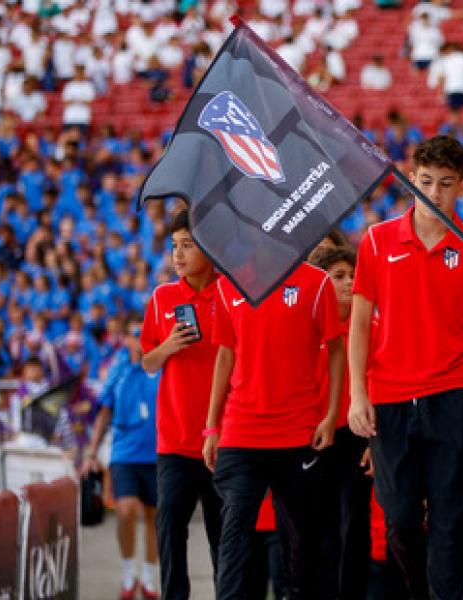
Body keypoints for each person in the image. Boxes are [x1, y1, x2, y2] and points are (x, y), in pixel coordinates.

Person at [347, 135, 463, 600]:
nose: (434, 193)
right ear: (411, 180)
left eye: (446, 184)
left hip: (454, 395)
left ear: (462, 186)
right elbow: (359, 322)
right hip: (390, 398)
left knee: (452, 517)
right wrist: (358, 393)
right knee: (399, 518)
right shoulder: (377, 241)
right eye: (426, 181)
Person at [202, 253, 346, 599]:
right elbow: (225, 354)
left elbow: (336, 349)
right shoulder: (228, 284)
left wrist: (330, 414)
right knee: (234, 531)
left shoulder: (317, 282)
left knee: (304, 539)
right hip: (241, 430)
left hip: (297, 432)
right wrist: (211, 428)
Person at [138, 210, 224, 600]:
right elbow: (147, 362)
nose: (178, 254)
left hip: (222, 439)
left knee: (224, 538)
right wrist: (169, 346)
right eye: (175, 246)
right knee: (170, 529)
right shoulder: (162, 298)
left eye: (188, 245)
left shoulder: (231, 294)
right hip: (174, 441)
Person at [310, 245, 373, 600]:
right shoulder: (305, 325)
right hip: (313, 436)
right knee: (318, 528)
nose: (349, 282)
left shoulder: (371, 326)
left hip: (358, 436)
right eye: (339, 277)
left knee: (354, 526)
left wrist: (376, 441)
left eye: (353, 275)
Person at [83, 315, 161, 600]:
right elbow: (104, 411)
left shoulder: (161, 365)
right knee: (126, 510)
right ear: (126, 338)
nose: (139, 339)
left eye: (144, 333)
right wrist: (92, 452)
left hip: (158, 454)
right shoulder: (118, 369)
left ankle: (149, 578)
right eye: (134, 334)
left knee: (154, 517)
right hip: (125, 453)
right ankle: (129, 574)